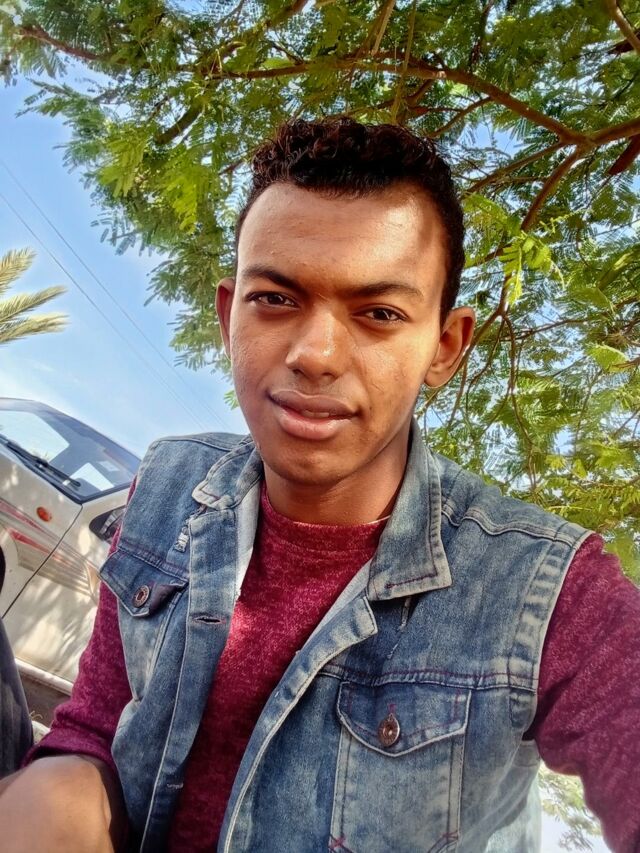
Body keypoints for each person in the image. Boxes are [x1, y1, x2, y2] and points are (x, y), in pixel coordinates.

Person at [1, 118, 639, 853]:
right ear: (228, 315)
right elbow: (98, 724)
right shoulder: (169, 482)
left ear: (444, 346)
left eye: (379, 314)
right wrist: (61, 792)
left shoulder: (549, 595)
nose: (316, 354)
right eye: (275, 298)